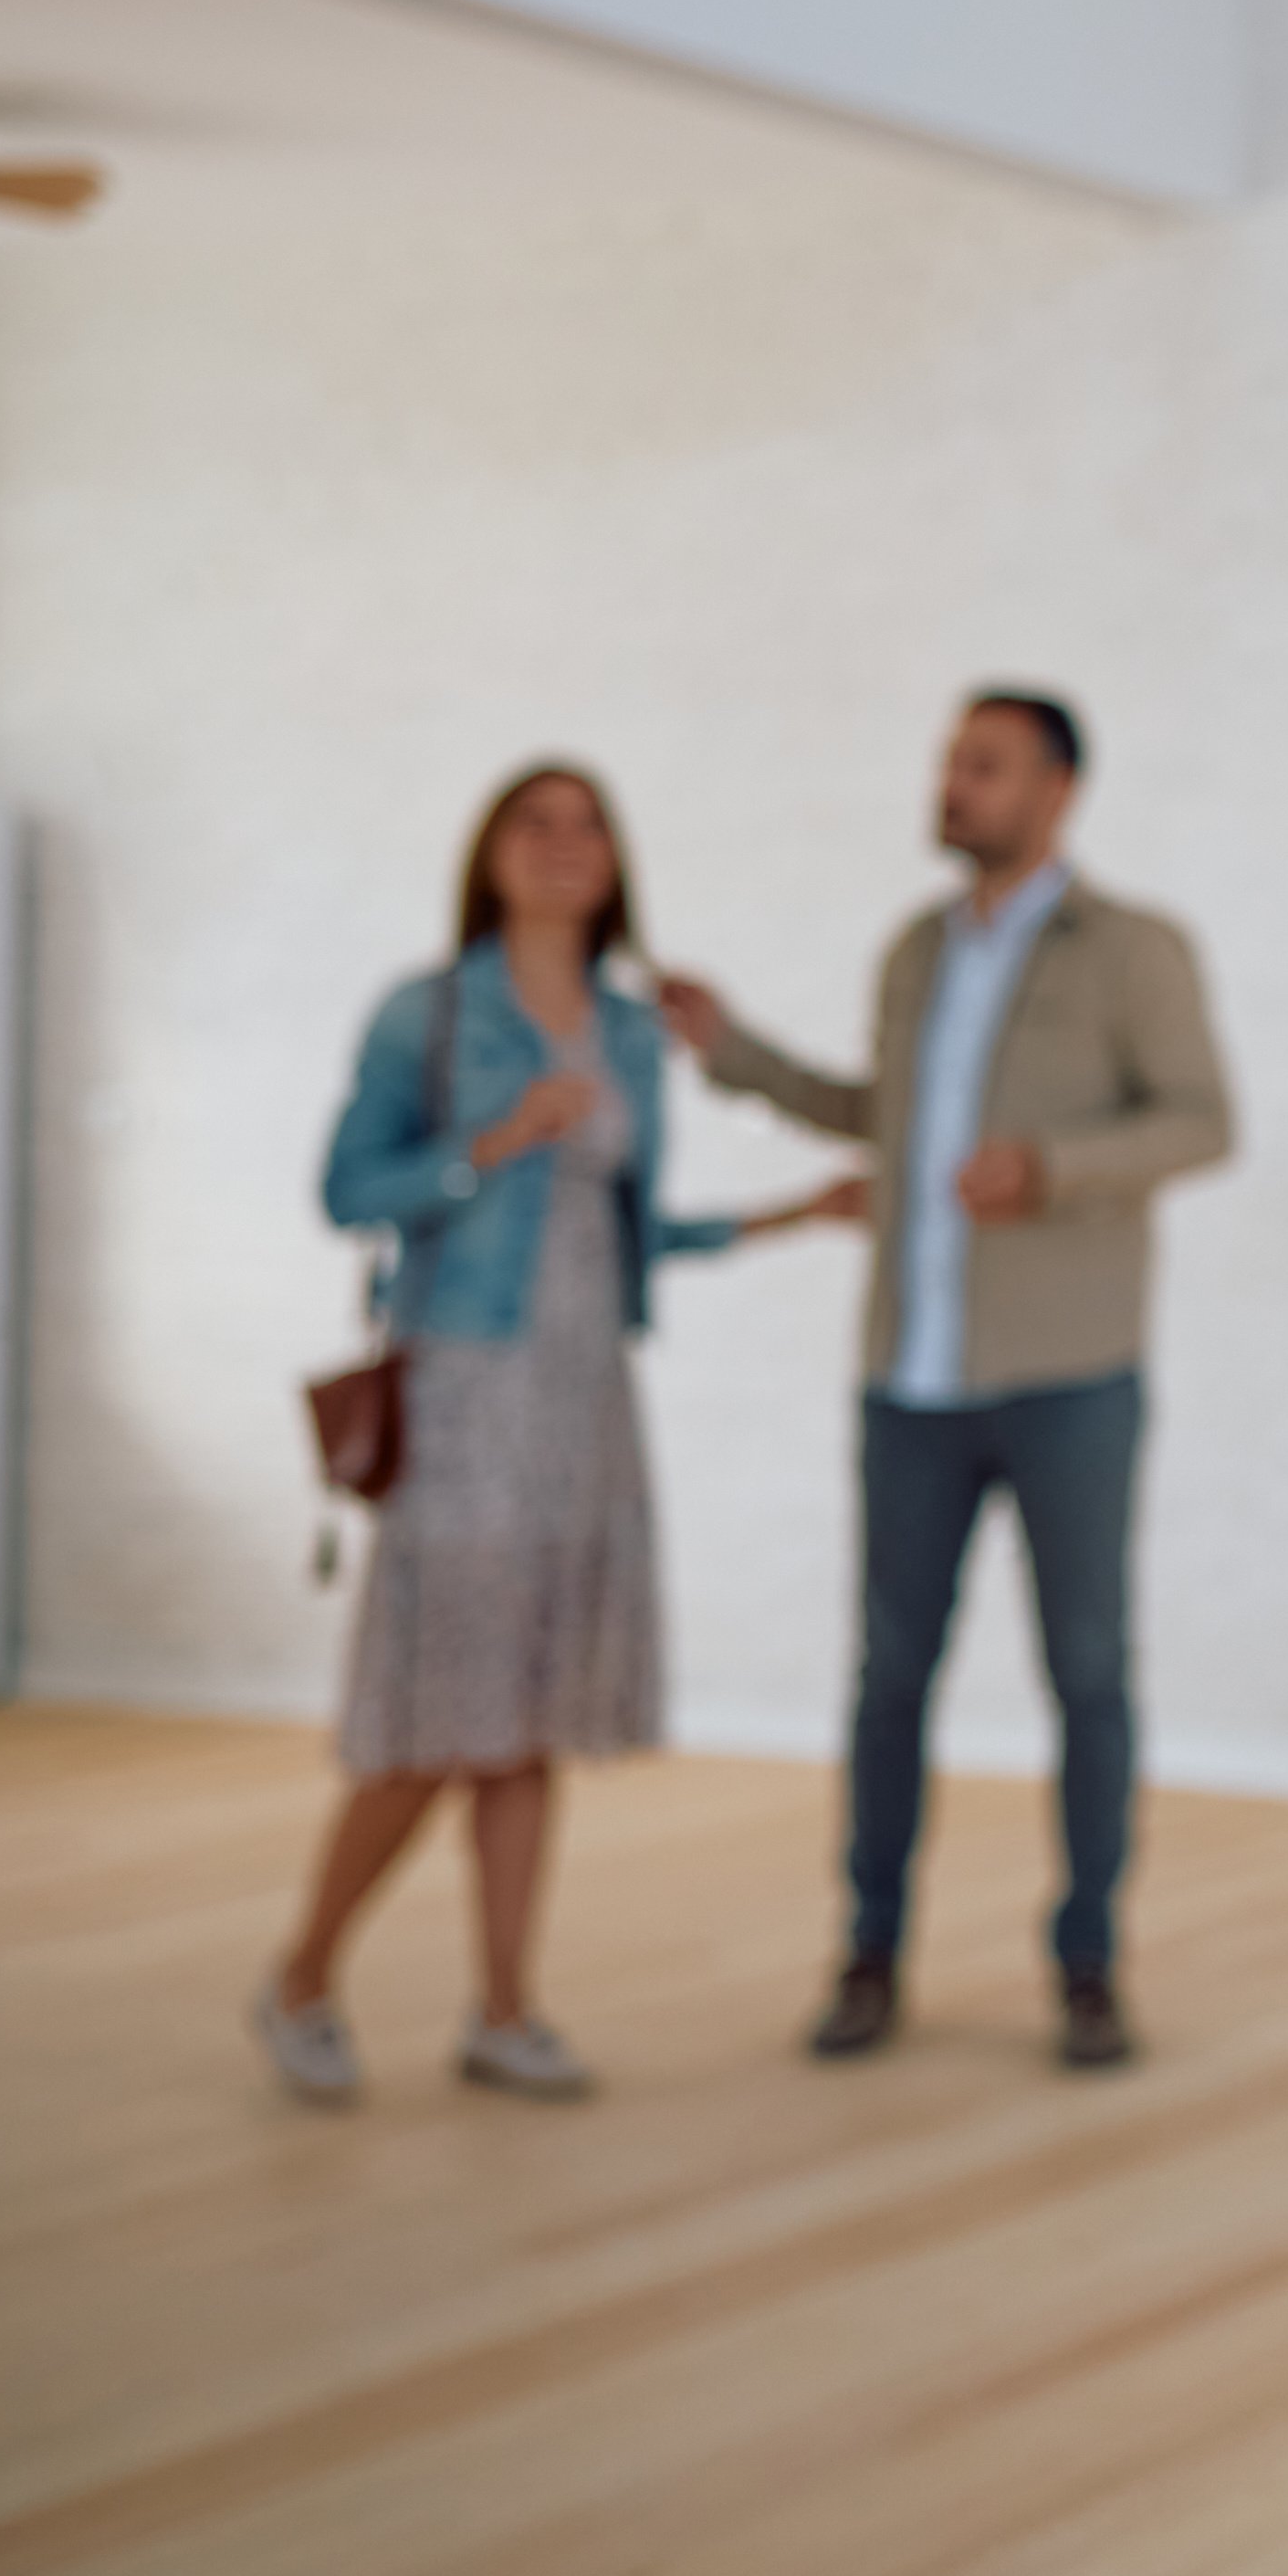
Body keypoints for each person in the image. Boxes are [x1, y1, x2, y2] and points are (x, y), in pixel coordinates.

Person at [657, 689, 1232, 2074]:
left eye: (983, 766)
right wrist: (732, 1054)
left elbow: (1202, 1120)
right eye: (948, 762)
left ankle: (1089, 1966)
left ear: (1058, 789)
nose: (952, 786)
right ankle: (869, 1955)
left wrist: (1054, 1172)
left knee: (1087, 1673)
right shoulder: (916, 951)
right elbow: (891, 1117)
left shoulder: (1133, 949)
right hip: (908, 1379)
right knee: (889, 1676)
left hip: (1067, 1377)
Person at [260, 763, 846, 2108]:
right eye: (539, 823)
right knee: (435, 1718)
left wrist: (793, 1216)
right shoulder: (432, 1012)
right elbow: (350, 1188)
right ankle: (300, 1977)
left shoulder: (636, 1036)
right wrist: (495, 1139)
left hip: (587, 1397)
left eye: (591, 828)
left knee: (526, 1715)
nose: (566, 847)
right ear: (490, 853)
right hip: (468, 1384)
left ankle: (506, 2009)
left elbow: (639, 1230)